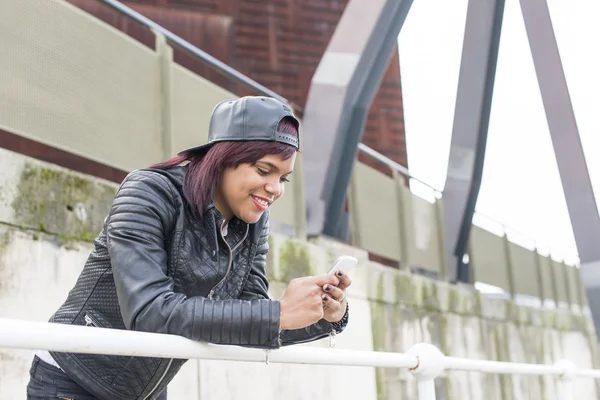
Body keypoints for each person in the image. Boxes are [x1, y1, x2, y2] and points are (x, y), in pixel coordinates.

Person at [26, 96, 351, 400]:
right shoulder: (148, 191)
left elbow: (252, 319)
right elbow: (149, 311)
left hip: (146, 390)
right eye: (265, 170)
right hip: (73, 380)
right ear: (223, 157)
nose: (275, 189)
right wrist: (278, 313)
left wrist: (324, 315)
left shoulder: (253, 222)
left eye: (284, 178)